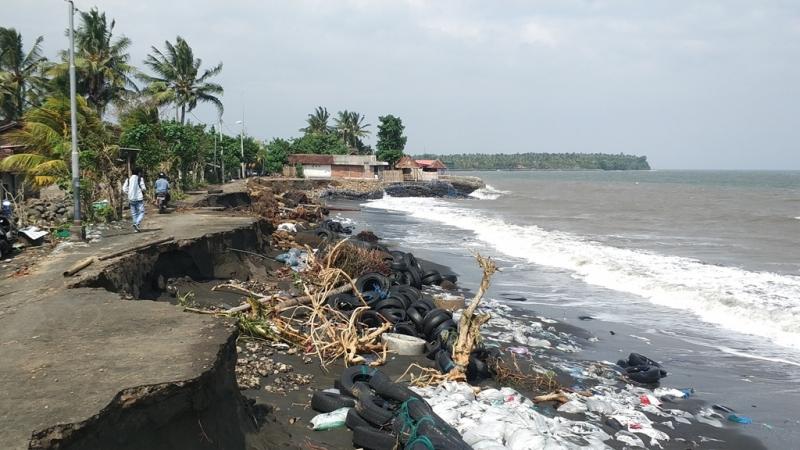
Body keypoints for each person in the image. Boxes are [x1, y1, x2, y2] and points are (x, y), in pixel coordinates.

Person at [122, 168, 146, 232]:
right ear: (139, 173)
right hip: (139, 198)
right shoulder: (140, 179)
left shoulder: (128, 179)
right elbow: (143, 188)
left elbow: (124, 189)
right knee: (141, 212)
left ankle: (136, 229)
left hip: (131, 199)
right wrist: (142, 191)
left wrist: (129, 192)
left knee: (134, 213)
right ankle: (137, 223)